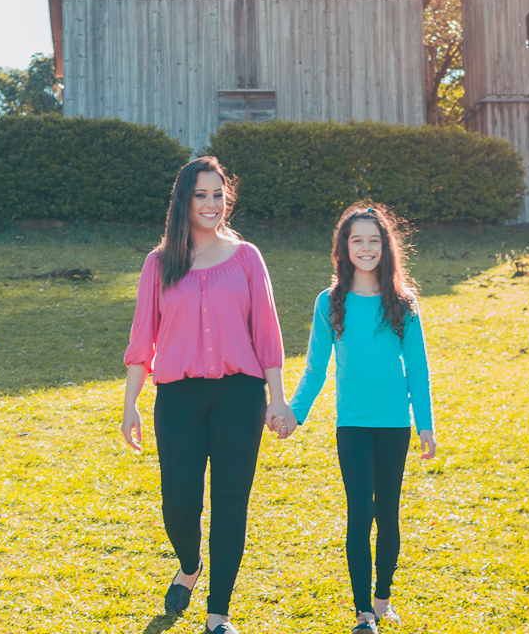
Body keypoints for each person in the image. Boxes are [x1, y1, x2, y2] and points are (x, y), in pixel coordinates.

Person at [121, 156, 293, 634]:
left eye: (218, 194)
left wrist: (277, 399)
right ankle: (190, 564)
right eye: (201, 194)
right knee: (179, 502)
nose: (212, 204)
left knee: (231, 500)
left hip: (241, 394)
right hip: (178, 397)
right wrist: (130, 404)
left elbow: (267, 333)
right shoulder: (159, 264)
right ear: (183, 200)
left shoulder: (247, 257)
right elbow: (142, 339)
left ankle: (219, 613)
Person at [275, 203, 436, 633]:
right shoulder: (329, 303)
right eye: (356, 240)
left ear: (386, 247)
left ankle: (383, 598)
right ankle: (363, 610)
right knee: (358, 513)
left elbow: (417, 369)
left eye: (374, 240)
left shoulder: (403, 303)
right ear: (343, 248)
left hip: (394, 425)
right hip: (352, 425)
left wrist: (425, 424)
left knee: (388, 512)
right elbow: (315, 367)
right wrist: (295, 413)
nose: (366, 248)